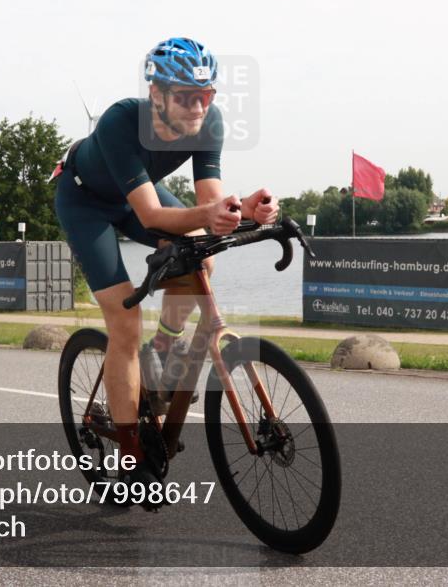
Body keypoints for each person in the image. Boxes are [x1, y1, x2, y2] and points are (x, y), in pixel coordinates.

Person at [53, 37, 279, 506]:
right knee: (125, 320)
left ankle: (162, 354)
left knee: (203, 258)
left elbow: (209, 201)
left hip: (136, 198)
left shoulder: (208, 121)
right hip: (87, 202)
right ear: (156, 94)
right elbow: (152, 215)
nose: (198, 107)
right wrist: (212, 214)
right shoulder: (120, 121)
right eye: (185, 96)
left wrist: (246, 209)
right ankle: (131, 457)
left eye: (206, 95)